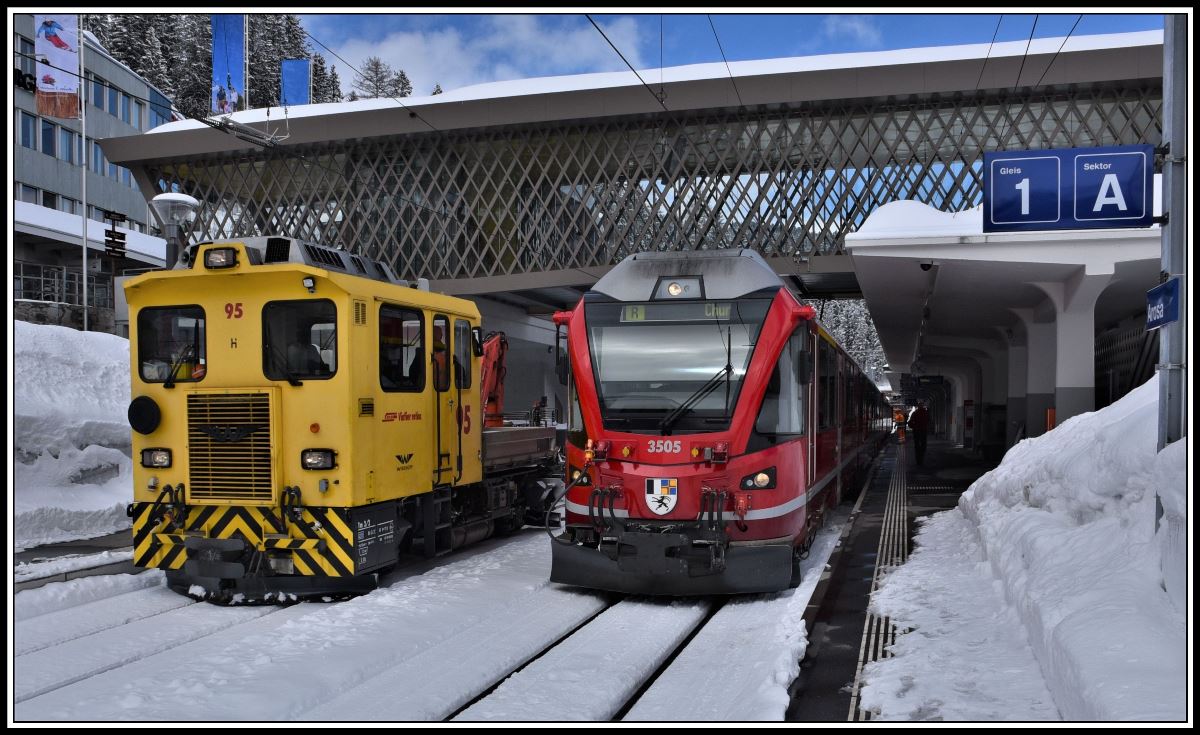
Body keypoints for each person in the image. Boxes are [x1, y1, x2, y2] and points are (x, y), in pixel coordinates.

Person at [908, 400, 931, 466]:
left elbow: (910, 422)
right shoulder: (926, 413)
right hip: (924, 431)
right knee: (923, 445)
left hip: (916, 431)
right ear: (923, 406)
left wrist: (913, 427)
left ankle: (918, 460)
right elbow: (929, 421)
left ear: (918, 406)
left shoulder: (915, 413)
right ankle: (922, 457)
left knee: (917, 445)